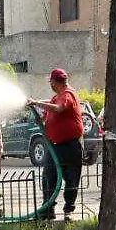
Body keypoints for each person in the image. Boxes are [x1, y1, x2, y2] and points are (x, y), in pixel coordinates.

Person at [26, 68, 84, 221]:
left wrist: (37, 102)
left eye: (51, 82)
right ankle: (47, 211)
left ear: (55, 82)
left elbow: (59, 109)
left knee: (71, 179)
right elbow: (47, 116)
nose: (50, 84)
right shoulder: (55, 97)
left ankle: (68, 211)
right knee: (48, 178)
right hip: (55, 147)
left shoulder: (68, 94)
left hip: (70, 146)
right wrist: (39, 114)